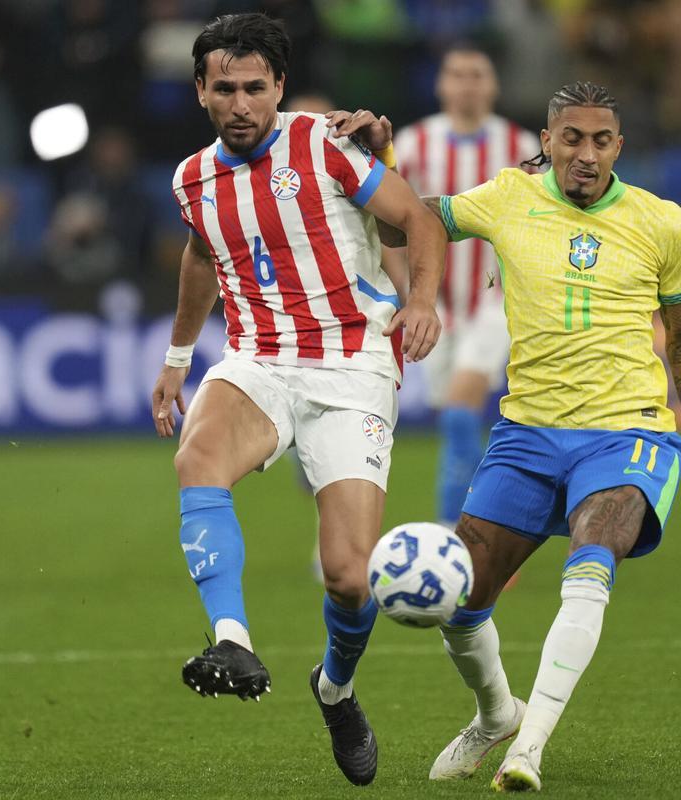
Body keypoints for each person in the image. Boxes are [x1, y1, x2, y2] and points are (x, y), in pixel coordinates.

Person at [353, 81, 681, 792]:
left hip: (628, 433)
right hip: (528, 431)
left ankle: (527, 750)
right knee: (461, 600)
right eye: (572, 138)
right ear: (547, 141)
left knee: (591, 564)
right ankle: (498, 715)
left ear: (619, 148)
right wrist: (382, 158)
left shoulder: (663, 224)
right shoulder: (508, 196)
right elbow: (404, 225)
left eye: (601, 141)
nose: (587, 154)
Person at [149, 14, 445, 787]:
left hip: (352, 365)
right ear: (201, 92)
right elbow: (201, 253)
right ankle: (233, 639)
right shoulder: (190, 179)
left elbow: (417, 218)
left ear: (278, 87)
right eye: (225, 89)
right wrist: (179, 358)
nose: (241, 103)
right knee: (198, 455)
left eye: (255, 88)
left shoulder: (325, 144)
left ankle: (335, 690)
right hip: (259, 360)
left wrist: (422, 302)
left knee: (350, 576)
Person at [390, 43, 539, 530]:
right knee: (457, 421)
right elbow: (388, 221)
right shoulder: (412, 146)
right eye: (457, 74)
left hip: (496, 301)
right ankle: (486, 528)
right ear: (441, 85)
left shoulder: (520, 149)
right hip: (434, 304)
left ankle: (461, 536)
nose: (467, 84)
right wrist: (407, 291)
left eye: (478, 75)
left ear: (493, 86)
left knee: (458, 412)